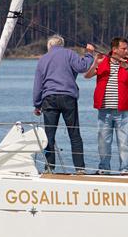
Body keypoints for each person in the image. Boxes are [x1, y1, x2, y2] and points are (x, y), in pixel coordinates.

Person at [32, 35, 96, 174]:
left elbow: (38, 84)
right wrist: (89, 54)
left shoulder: (43, 59)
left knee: (49, 135)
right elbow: (83, 66)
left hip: (49, 99)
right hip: (68, 98)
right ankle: (80, 169)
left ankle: (49, 168)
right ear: (62, 44)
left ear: (49, 46)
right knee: (74, 133)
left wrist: (37, 104)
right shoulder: (69, 54)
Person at [85, 36, 128, 174]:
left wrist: (127, 67)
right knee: (104, 142)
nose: (126, 51)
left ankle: (125, 169)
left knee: (124, 142)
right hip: (104, 110)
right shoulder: (103, 61)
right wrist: (95, 64)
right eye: (123, 48)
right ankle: (104, 168)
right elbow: (87, 75)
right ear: (115, 50)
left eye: (126, 48)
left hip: (123, 110)